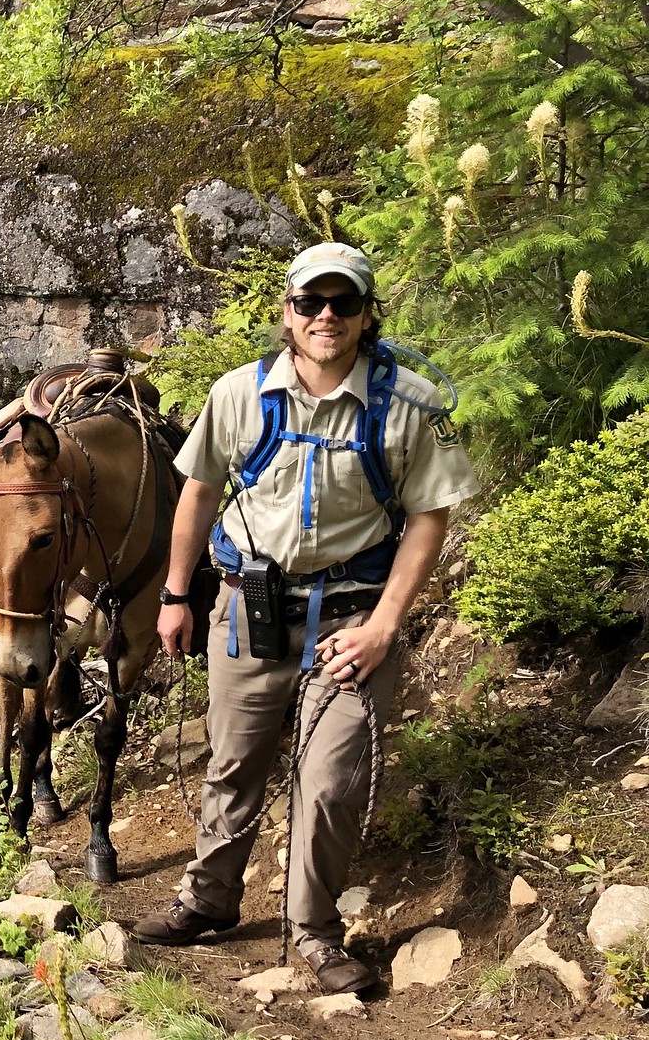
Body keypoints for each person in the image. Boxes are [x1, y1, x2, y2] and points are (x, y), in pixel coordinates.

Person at [133, 243, 480, 995]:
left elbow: (428, 520)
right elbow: (197, 493)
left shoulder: (411, 405)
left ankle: (315, 934)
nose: (325, 317)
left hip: (354, 619)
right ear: (286, 310)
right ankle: (208, 900)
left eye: (343, 303)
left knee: (330, 783)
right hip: (247, 610)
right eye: (310, 302)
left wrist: (385, 627)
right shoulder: (238, 393)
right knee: (233, 761)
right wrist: (172, 594)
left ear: (365, 314)